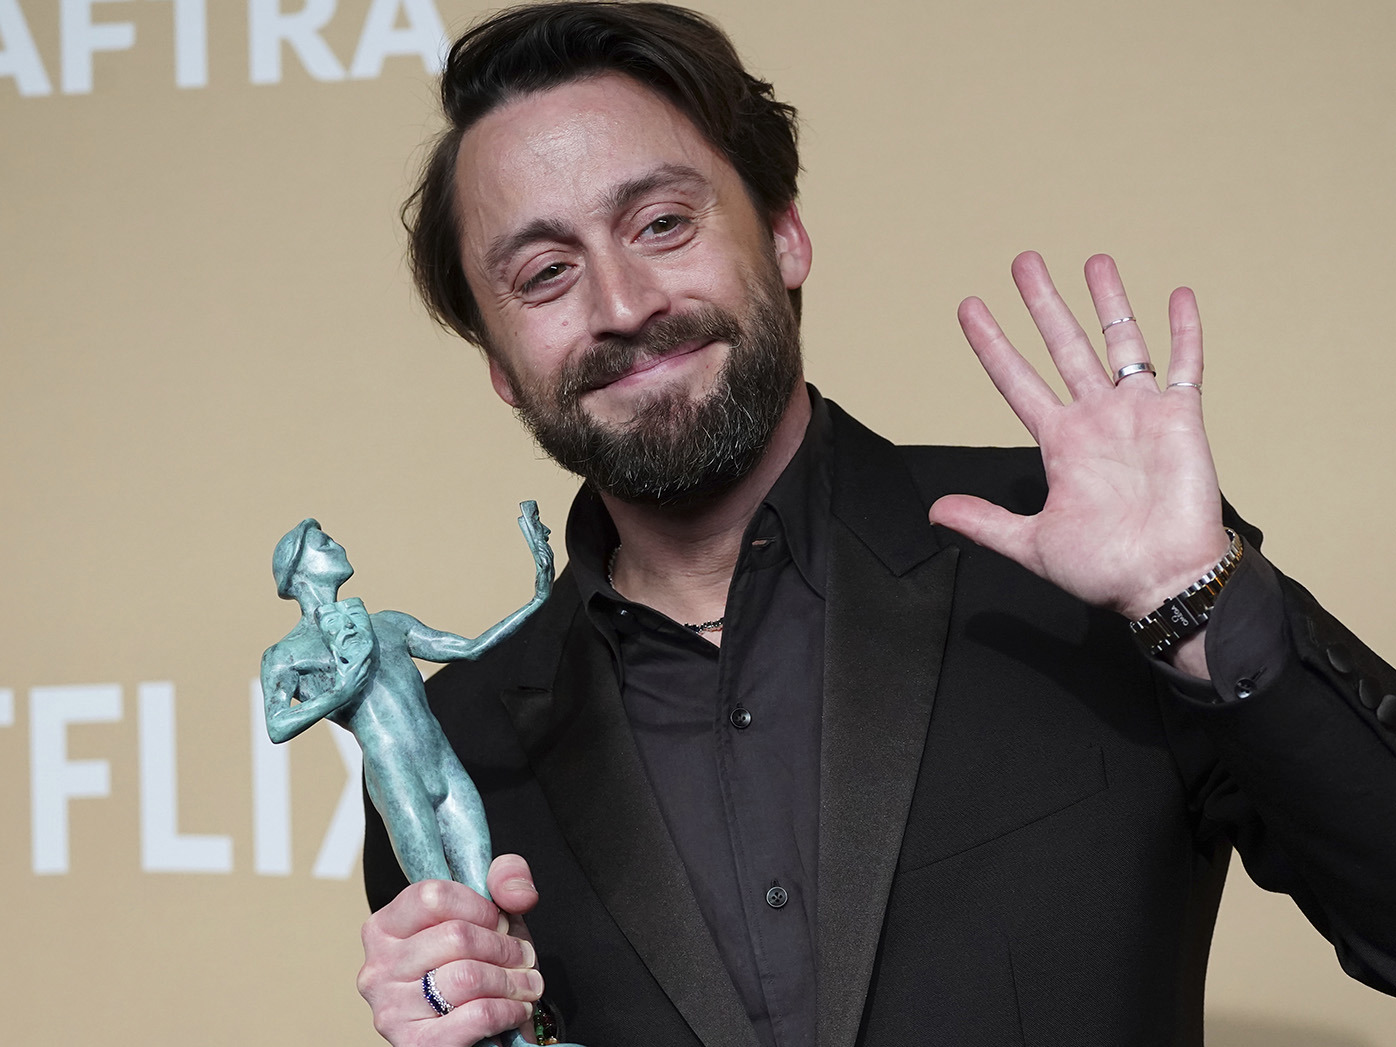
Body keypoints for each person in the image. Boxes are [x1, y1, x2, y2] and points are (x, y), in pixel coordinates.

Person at [353, 4, 1396, 1045]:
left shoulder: (1079, 565)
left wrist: (1192, 598)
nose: (621, 303)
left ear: (784, 234)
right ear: (498, 364)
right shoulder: (455, 755)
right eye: (544, 274)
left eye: (662, 224)